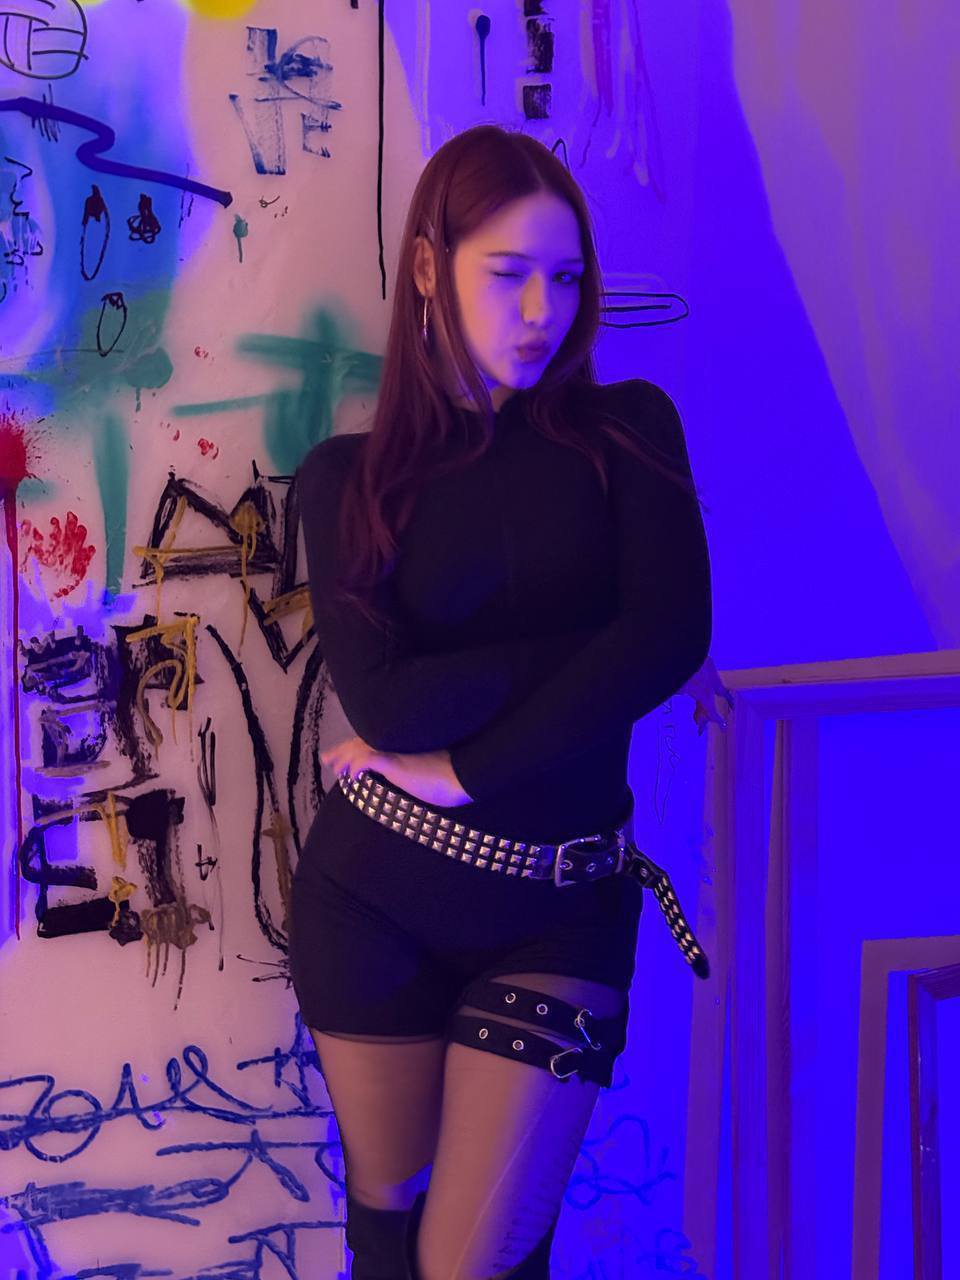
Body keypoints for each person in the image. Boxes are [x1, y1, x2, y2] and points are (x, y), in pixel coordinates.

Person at [289, 124, 712, 1280]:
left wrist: (468, 768)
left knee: (475, 1260)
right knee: (389, 1238)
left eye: (566, 277)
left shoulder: (630, 431)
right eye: (510, 273)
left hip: (560, 905)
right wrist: (600, 644)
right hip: (372, 897)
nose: (543, 311)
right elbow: (389, 704)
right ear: (430, 268)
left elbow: (674, 636)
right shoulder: (346, 481)